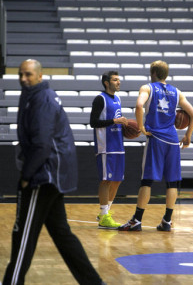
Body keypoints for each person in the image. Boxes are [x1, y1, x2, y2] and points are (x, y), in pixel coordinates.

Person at [3, 59, 105, 285]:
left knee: (23, 235)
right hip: (50, 173)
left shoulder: (42, 100)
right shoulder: (32, 95)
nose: (23, 78)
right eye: (21, 74)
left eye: (28, 74)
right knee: (62, 235)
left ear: (40, 76)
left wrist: (26, 177)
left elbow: (42, 145)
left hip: (44, 175)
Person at [118, 60, 193, 232]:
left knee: (147, 181)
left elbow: (139, 105)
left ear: (152, 73)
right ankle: (167, 221)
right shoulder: (177, 92)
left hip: (156, 139)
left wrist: (140, 127)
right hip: (172, 141)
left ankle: (137, 221)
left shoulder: (147, 88)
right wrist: (187, 135)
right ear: (166, 74)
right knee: (172, 183)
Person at [90, 71, 128, 229]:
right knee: (106, 180)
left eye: (119, 79)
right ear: (107, 83)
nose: (119, 82)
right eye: (115, 80)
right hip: (105, 145)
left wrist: (125, 125)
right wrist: (114, 121)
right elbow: (93, 122)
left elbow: (116, 120)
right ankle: (104, 214)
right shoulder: (100, 99)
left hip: (118, 144)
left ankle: (105, 213)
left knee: (117, 179)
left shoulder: (118, 98)